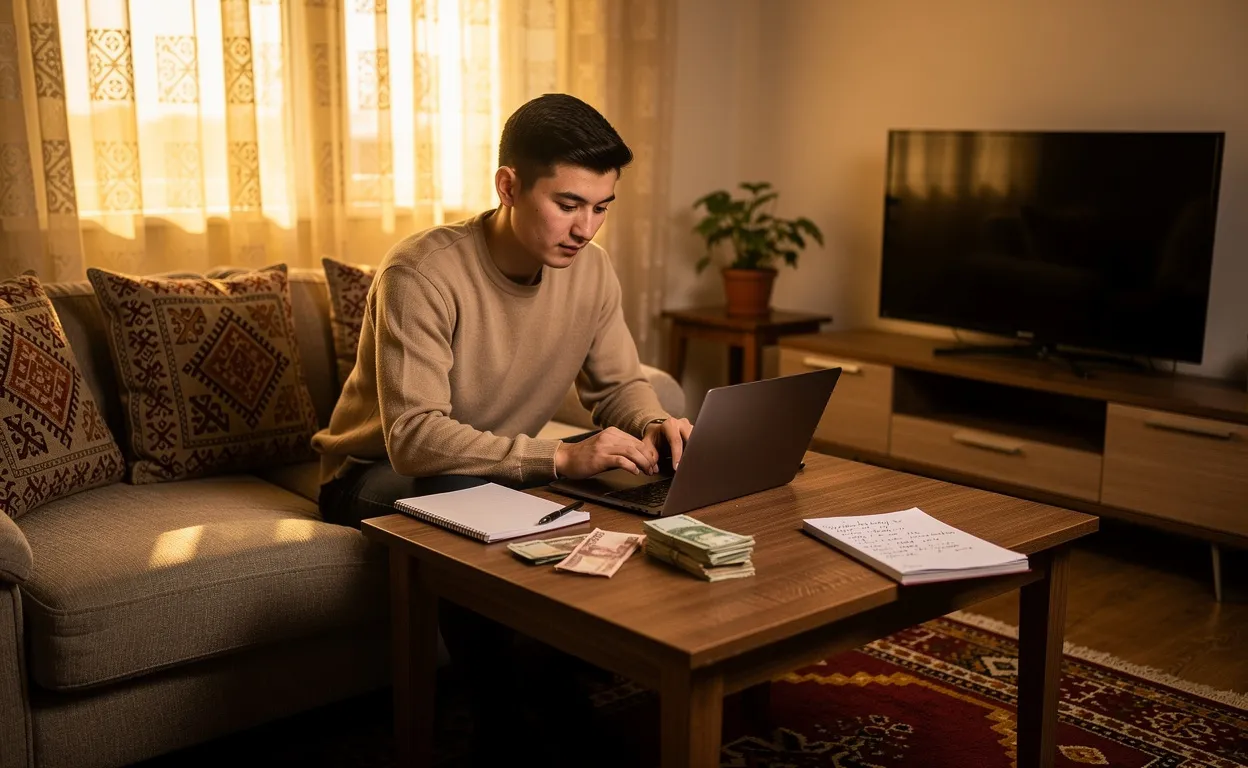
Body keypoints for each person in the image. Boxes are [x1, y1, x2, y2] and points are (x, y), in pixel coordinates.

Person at [311, 93, 693, 763]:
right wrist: (561, 460)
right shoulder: (423, 271)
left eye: (602, 207)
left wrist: (657, 422)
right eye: (568, 204)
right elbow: (417, 438)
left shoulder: (592, 272)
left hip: (491, 468)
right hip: (371, 474)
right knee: (476, 489)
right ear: (508, 186)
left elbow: (617, 385)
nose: (586, 229)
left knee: (614, 472)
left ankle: (567, 680)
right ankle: (509, 726)